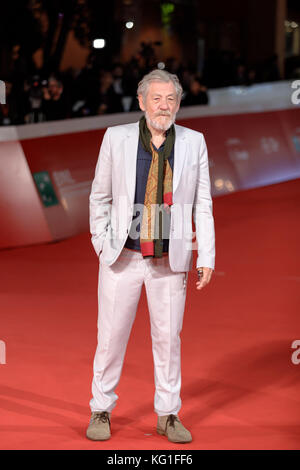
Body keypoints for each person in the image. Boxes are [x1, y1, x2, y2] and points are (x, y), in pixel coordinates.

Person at [87, 69, 215, 443]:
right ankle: (100, 407)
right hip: (121, 258)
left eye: (171, 99)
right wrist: (101, 243)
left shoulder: (194, 142)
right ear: (141, 102)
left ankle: (168, 413)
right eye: (156, 99)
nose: (164, 106)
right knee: (110, 337)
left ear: (178, 103)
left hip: (169, 261)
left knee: (168, 338)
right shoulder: (116, 138)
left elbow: (202, 204)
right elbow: (99, 197)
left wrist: (205, 254)